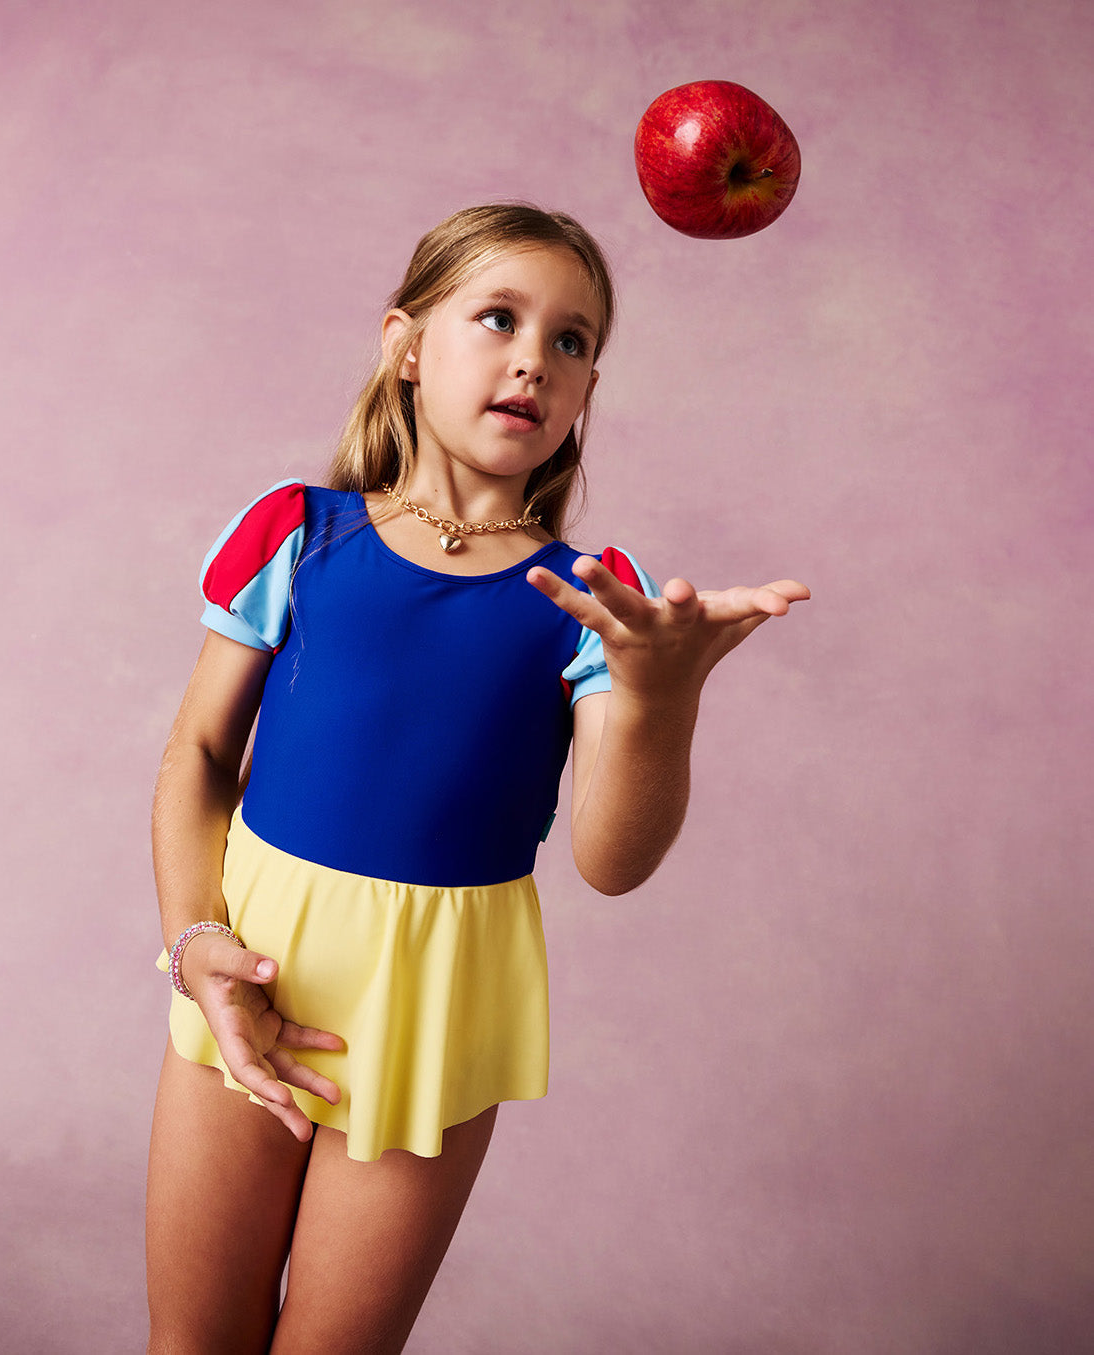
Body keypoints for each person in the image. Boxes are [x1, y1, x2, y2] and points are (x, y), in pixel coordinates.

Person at [145, 202, 809, 1354]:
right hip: (249, 964)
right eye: (497, 317)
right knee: (191, 1340)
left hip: (434, 1003)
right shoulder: (298, 533)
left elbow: (611, 859)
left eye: (570, 341)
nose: (531, 359)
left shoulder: (595, 600)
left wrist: (660, 696)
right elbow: (199, 755)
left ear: (586, 390)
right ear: (406, 345)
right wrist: (195, 941)